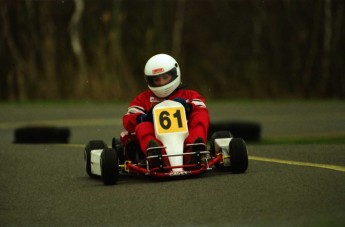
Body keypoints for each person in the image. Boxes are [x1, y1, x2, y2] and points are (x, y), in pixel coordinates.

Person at [122, 53, 210, 165]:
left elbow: (201, 109)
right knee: (142, 126)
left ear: (174, 74)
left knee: (200, 116)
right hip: (157, 140)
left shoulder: (188, 95)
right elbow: (128, 119)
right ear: (149, 80)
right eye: (156, 79)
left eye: (165, 77)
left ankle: (194, 151)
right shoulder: (144, 98)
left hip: (185, 139)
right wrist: (143, 118)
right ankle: (157, 156)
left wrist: (188, 107)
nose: (161, 83)